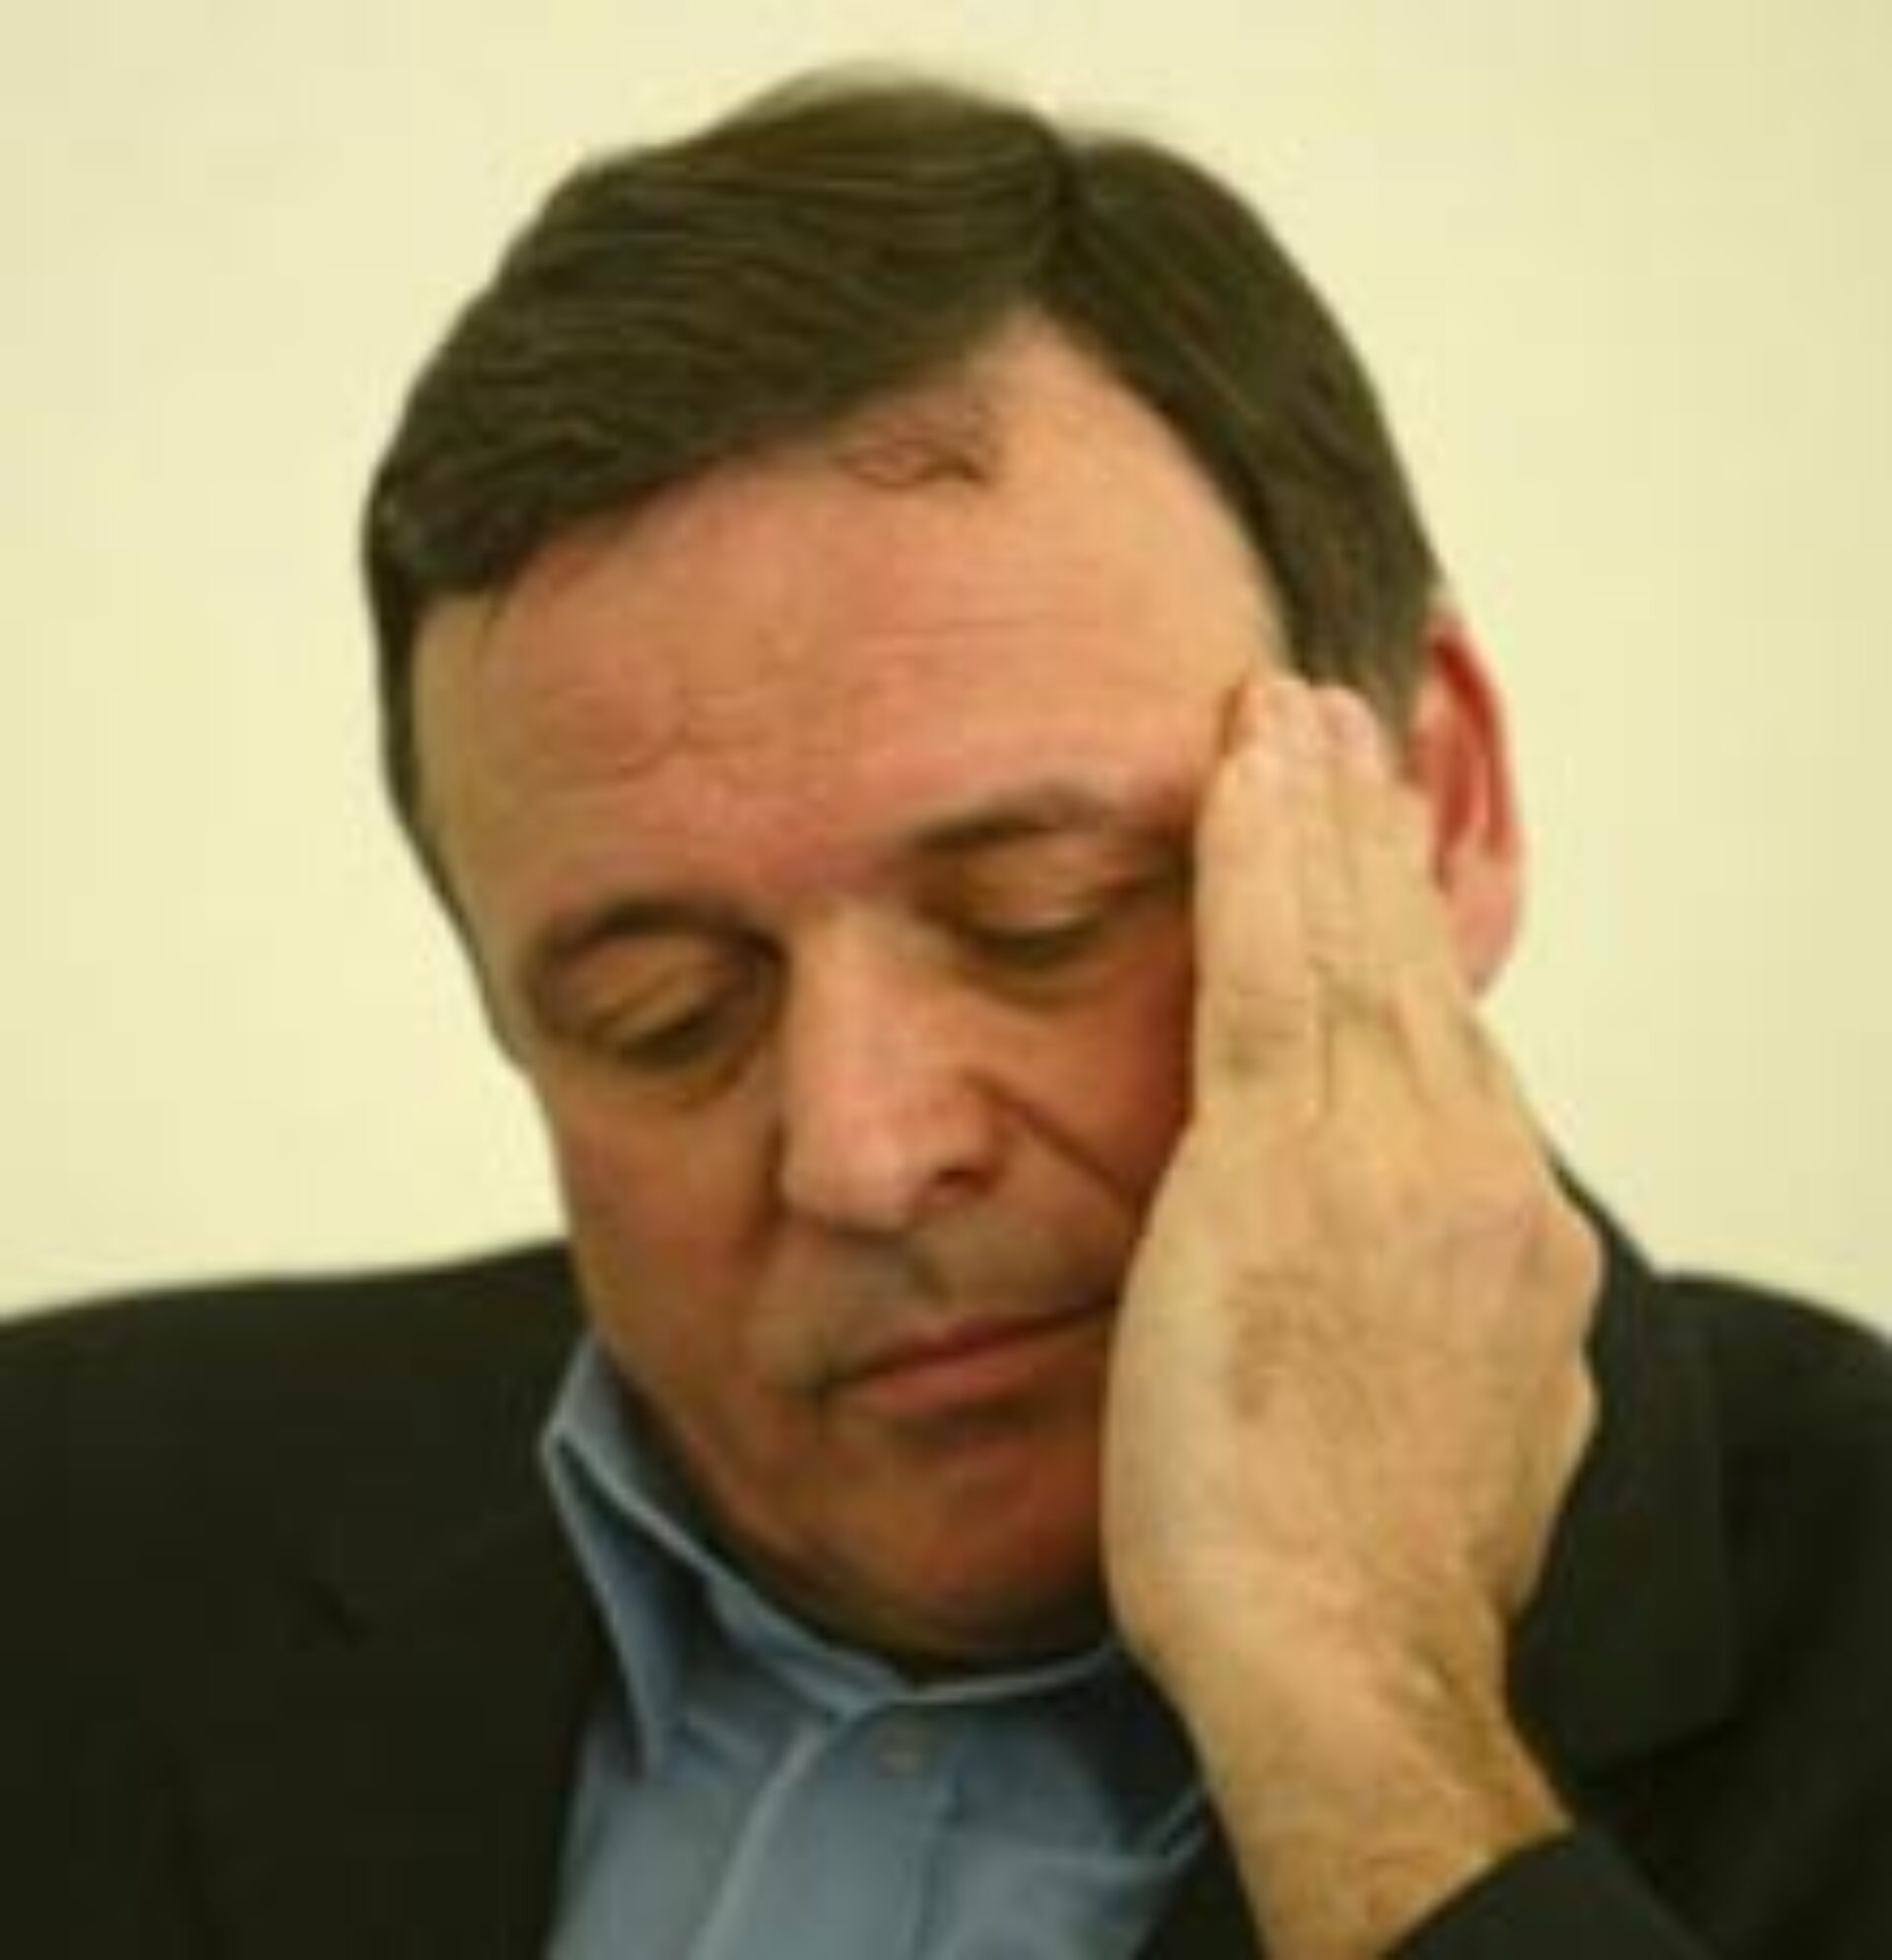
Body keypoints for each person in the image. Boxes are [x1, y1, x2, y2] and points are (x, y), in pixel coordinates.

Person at [4, 68, 1890, 1960]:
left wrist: (1364, 1718)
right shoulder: (63, 1528)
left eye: (1037, 917)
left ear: (1438, 802)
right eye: (665, 1015)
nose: (864, 1151)